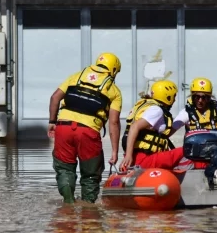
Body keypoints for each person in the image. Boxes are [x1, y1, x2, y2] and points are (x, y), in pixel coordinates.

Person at [48, 52, 123, 204]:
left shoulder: (76, 76)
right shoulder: (114, 90)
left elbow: (55, 97)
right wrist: (115, 151)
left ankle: (68, 203)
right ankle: (88, 210)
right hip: (88, 132)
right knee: (90, 174)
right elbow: (114, 122)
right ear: (113, 70)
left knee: (64, 169)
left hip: (63, 128)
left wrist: (52, 121)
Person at [119, 79, 185, 171]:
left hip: (141, 156)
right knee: (187, 150)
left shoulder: (147, 106)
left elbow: (163, 135)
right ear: (168, 96)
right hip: (145, 159)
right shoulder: (156, 110)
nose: (175, 99)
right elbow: (135, 127)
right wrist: (129, 155)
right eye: (174, 96)